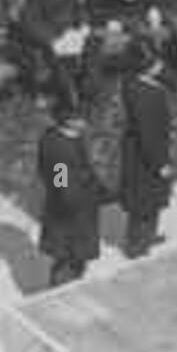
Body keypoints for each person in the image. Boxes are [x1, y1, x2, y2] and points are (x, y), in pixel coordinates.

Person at [37, 111, 106, 287]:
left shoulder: (70, 137)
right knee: (68, 252)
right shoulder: (58, 148)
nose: (85, 122)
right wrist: (74, 202)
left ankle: (70, 276)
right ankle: (60, 286)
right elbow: (60, 183)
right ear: (68, 121)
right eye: (80, 119)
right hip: (70, 210)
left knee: (75, 252)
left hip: (78, 204)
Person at [119, 43, 174, 258]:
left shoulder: (133, 83)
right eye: (157, 63)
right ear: (147, 67)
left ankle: (146, 237)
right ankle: (137, 246)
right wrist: (160, 164)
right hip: (146, 156)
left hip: (138, 151)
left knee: (148, 199)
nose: (161, 65)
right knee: (144, 202)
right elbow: (148, 134)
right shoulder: (147, 95)